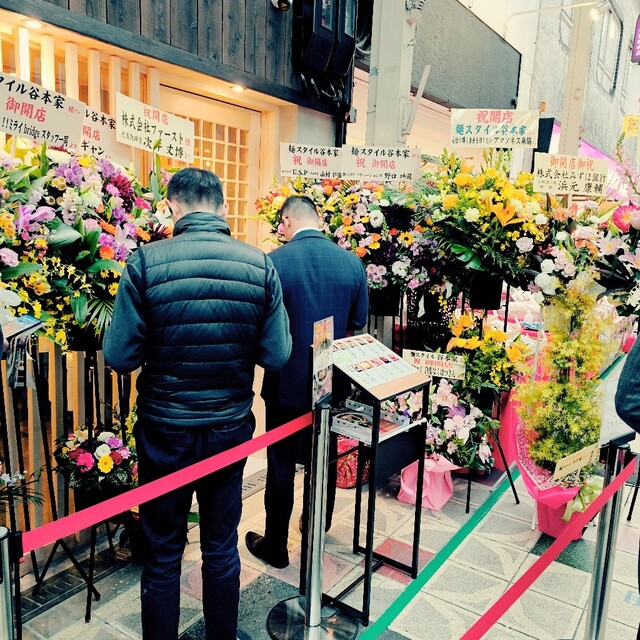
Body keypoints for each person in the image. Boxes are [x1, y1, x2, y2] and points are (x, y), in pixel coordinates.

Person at [103, 167, 291, 640]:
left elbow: (120, 357)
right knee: (221, 546)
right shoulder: (259, 265)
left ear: (172, 207)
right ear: (223, 207)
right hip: (228, 428)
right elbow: (276, 354)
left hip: (164, 430)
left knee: (163, 553)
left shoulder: (145, 263)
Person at [245, 194, 368, 569]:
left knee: (280, 462)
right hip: (330, 379)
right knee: (323, 457)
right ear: (318, 219)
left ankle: (276, 545)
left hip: (285, 379)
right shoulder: (351, 262)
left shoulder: (273, 262)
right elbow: (358, 320)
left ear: (286, 221)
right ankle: (316, 526)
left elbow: (260, 323)